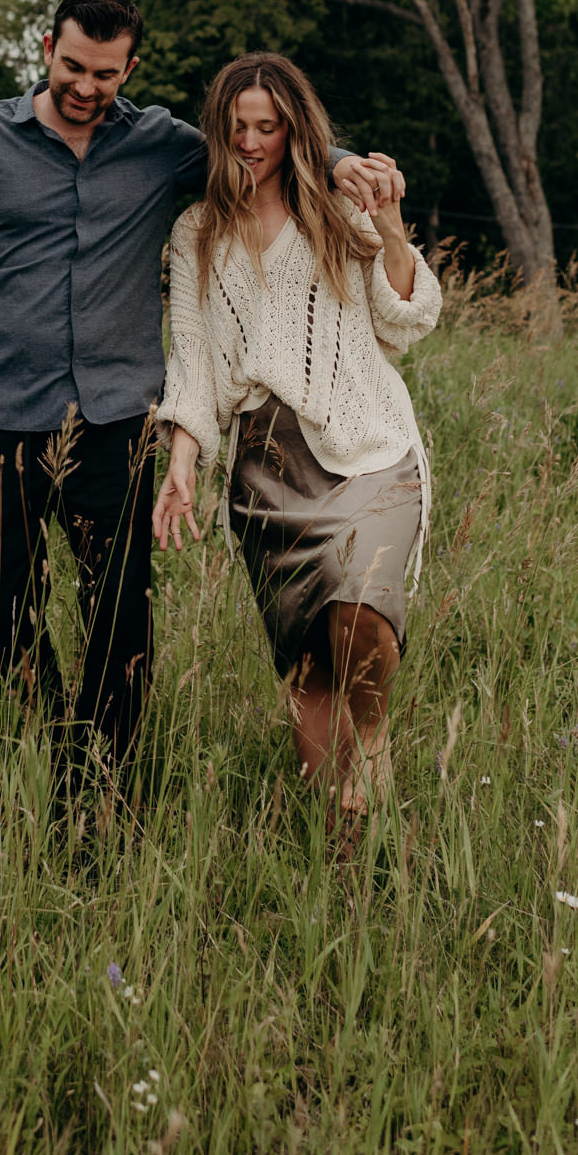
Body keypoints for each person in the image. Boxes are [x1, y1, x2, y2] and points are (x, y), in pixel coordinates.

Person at [0, 0, 406, 789]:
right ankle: (60, 735)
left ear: (129, 67)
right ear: (46, 49)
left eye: (105, 73)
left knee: (119, 621)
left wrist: (346, 164)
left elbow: (265, 145)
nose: (85, 87)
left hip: (116, 422)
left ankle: (108, 792)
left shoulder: (161, 145)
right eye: (73, 66)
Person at [153, 52, 440, 834]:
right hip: (264, 471)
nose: (251, 142)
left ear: (293, 128)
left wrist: (387, 225)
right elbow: (194, 366)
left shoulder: (336, 212)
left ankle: (373, 737)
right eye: (237, 127)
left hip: (368, 443)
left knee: (360, 608)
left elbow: (406, 321)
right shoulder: (197, 232)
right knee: (310, 667)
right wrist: (183, 464)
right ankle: (344, 853)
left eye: (267, 126)